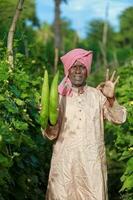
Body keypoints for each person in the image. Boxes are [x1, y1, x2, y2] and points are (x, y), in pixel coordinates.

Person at [42, 48, 127, 200]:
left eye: (82, 66)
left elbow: (119, 119)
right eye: (74, 66)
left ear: (87, 70)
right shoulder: (58, 96)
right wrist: (48, 116)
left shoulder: (97, 96)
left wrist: (111, 98)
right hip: (65, 165)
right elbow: (50, 134)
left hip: (91, 165)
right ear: (68, 70)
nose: (78, 71)